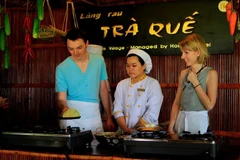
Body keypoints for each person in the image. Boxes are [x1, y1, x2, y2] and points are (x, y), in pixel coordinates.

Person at [55, 28, 115, 134]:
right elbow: (61, 98)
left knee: (96, 147)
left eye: (79, 48)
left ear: (87, 43)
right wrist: (64, 108)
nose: (75, 52)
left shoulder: (99, 60)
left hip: (93, 115)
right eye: (71, 49)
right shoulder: (61, 68)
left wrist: (109, 117)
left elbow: (103, 89)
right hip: (72, 117)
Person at [168, 33, 218, 135]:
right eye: (182, 53)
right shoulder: (183, 73)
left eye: (186, 52)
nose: (182, 57)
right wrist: (170, 127)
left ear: (198, 52)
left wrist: (195, 82)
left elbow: (209, 105)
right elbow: (177, 102)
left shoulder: (211, 73)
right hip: (180, 120)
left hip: (199, 121)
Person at [113, 49, 164, 134]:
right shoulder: (121, 84)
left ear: (144, 66)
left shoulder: (152, 84)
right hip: (124, 132)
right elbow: (117, 109)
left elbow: (152, 113)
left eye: (134, 65)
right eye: (128, 66)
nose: (130, 69)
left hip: (146, 133)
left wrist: (135, 129)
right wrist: (126, 129)